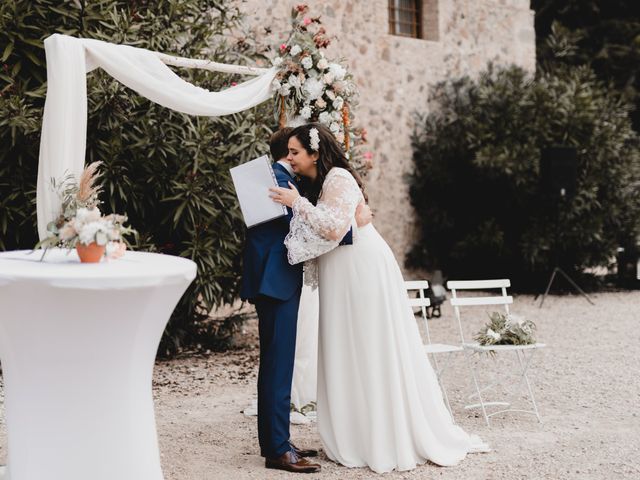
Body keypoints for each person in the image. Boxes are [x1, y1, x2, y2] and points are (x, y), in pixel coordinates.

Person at [270, 123, 488, 474]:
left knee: (369, 344)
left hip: (360, 270)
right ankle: (355, 432)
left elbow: (333, 228)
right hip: (341, 272)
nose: (290, 158)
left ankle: (382, 435)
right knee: (346, 346)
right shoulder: (319, 181)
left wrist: (297, 204)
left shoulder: (338, 176)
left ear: (314, 153)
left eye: (295, 152)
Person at [240, 127, 372, 473]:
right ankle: (277, 450)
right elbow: (278, 232)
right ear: (288, 153)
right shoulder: (273, 180)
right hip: (274, 281)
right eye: (293, 153)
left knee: (279, 363)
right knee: (277, 365)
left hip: (277, 280)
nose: (296, 160)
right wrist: (346, 227)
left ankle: (279, 441)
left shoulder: (287, 181)